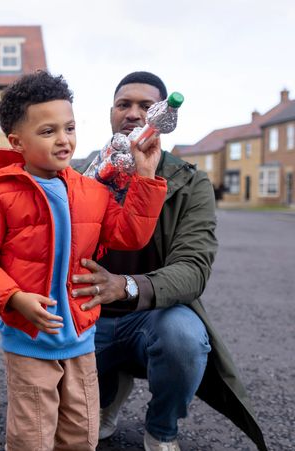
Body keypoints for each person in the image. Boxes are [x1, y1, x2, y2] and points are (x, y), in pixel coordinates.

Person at [0, 70, 167, 451]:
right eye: (48, 131)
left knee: (80, 433)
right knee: (32, 437)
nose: (63, 139)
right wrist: (14, 297)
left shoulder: (91, 191)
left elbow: (130, 234)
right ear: (16, 142)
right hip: (30, 342)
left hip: (81, 340)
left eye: (69, 128)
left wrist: (146, 177)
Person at [73, 71, 267, 451]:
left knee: (184, 337)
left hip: (153, 317)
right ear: (110, 113)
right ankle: (106, 395)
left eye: (146, 106)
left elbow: (193, 268)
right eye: (123, 104)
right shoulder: (84, 172)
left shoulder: (190, 183)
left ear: (162, 115)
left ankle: (161, 430)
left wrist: (126, 286)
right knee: (74, 420)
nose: (132, 113)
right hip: (89, 314)